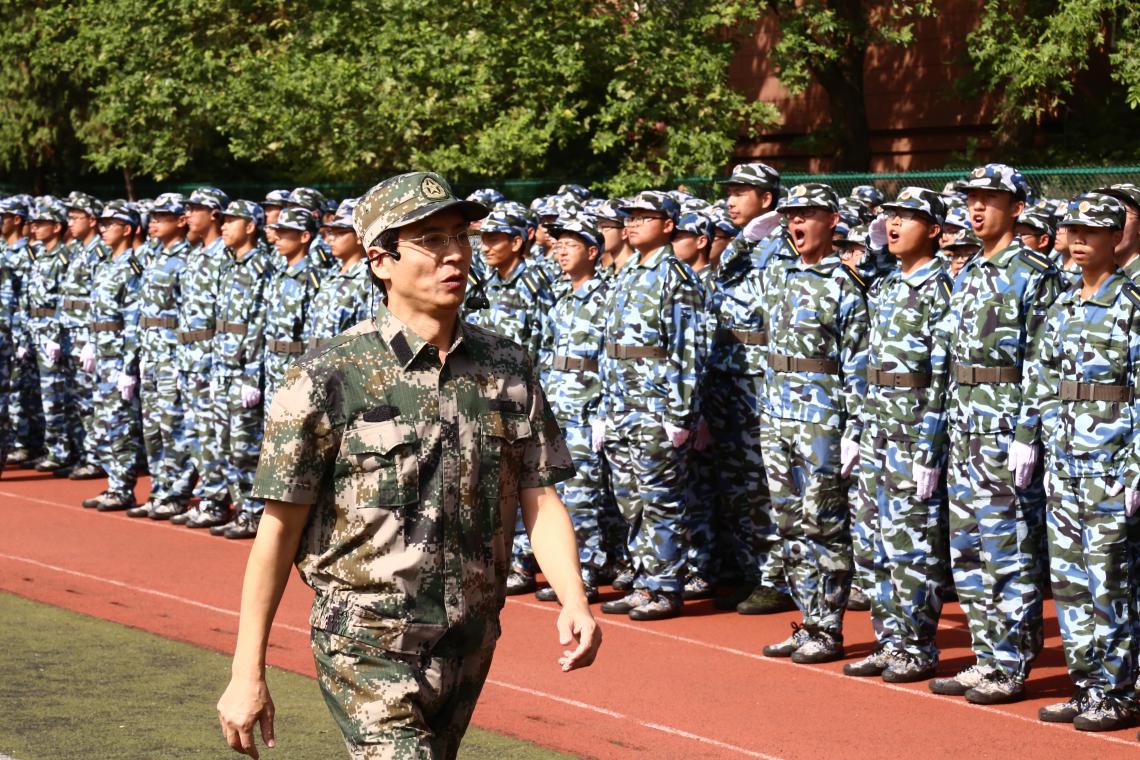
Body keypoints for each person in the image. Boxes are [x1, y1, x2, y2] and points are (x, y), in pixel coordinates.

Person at [216, 171, 600, 760]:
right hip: (367, 639)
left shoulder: (506, 366)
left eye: (459, 236)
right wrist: (248, 673)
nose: (454, 254)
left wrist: (574, 598)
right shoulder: (329, 375)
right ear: (381, 261)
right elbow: (278, 531)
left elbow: (539, 495)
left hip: (469, 635)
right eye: (430, 240)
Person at [926, 163, 1062, 704]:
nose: (977, 207)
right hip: (964, 428)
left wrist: (1029, 432)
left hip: (1005, 431)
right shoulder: (967, 271)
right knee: (967, 551)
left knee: (1009, 549)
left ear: (1017, 208)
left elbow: (1043, 363)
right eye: (972, 198)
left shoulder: (1033, 272)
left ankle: (1011, 662)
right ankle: (987, 656)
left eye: (990, 198)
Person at [1018, 193, 1139, 731]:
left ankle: (1120, 691)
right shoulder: (1062, 305)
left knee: (1110, 581)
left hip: (1111, 469)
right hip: (1064, 467)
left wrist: (1137, 465)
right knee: (1068, 584)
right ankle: (1087, 683)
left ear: (1117, 238)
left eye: (1094, 230)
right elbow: (1040, 378)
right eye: (1074, 229)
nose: (1080, 238)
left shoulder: (1133, 303)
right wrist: (1028, 437)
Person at [843, 188, 952, 683]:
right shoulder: (885, 285)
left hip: (912, 432)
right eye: (891, 216)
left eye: (908, 218)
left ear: (932, 230)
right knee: (872, 542)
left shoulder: (942, 287)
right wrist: (857, 427)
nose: (894, 224)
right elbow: (867, 366)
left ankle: (917, 644)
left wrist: (930, 446)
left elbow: (943, 374)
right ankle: (890, 640)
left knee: (912, 544)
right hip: (877, 430)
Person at [759, 183, 869, 663]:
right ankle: (808, 619)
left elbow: (859, 364)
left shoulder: (845, 285)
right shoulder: (780, 276)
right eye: (790, 215)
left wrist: (854, 429)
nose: (795, 223)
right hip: (776, 416)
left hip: (820, 419)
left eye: (806, 214)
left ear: (831, 220)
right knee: (787, 523)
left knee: (823, 522)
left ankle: (829, 626)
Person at [597, 190, 707, 621]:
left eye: (645, 216)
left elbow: (688, 349)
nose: (633, 223)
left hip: (655, 409)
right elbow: (612, 350)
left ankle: (663, 586)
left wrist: (681, 415)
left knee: (661, 499)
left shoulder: (675, 277)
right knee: (630, 500)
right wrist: (606, 409)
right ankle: (644, 580)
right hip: (623, 406)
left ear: (667, 225)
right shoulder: (625, 274)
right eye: (630, 216)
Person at [707, 162, 795, 615]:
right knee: (737, 481)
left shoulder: (780, 246)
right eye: (731, 190)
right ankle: (749, 568)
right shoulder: (740, 244)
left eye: (743, 191)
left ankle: (776, 575)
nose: (732, 198)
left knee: (765, 480)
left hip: (760, 377)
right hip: (727, 373)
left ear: (767, 198)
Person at [534, 215, 617, 603]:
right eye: (558, 243)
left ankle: (589, 569)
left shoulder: (608, 296)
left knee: (585, 494)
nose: (560, 249)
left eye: (571, 244)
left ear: (593, 251)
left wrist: (605, 411)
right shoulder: (562, 296)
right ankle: (573, 571)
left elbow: (611, 358)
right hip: (560, 405)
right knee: (563, 492)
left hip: (589, 408)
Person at [207, 200, 275, 540]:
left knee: (244, 445)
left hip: (244, 370)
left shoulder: (261, 266)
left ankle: (252, 513)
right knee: (222, 441)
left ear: (250, 226)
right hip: (221, 367)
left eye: (231, 221)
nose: (223, 226)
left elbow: (260, 325)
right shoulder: (228, 265)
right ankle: (238, 507)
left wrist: (251, 375)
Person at [132, 193, 195, 520]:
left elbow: (189, 312)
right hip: (151, 353)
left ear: (181, 221)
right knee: (152, 427)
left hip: (172, 353)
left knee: (174, 426)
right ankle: (159, 488)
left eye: (162, 216)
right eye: (152, 216)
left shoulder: (187, 259)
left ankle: (177, 492)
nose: (154, 221)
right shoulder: (153, 255)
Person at [81, 200, 144, 511]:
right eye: (101, 223)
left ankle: (122, 487)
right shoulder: (104, 263)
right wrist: (89, 342)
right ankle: (113, 482)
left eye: (111, 223)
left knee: (120, 423)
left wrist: (128, 366)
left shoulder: (132, 269)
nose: (103, 228)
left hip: (118, 355)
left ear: (128, 229)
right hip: (101, 353)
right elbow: (96, 310)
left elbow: (133, 321)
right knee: (103, 421)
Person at [24, 198, 77, 472]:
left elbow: (63, 301)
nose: (35, 228)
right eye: (34, 224)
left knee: (55, 396)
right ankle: (50, 447)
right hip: (34, 331)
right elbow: (28, 299)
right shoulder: (38, 255)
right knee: (40, 396)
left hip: (51, 335)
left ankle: (61, 450)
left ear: (57, 227)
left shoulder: (63, 258)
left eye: (41, 224)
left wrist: (55, 335)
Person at [59, 192, 108, 480]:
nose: (70, 222)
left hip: (88, 335)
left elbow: (98, 299)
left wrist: (91, 338)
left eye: (76, 217)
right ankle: (84, 452)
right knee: (77, 399)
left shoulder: (98, 252)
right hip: (71, 333)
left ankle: (96, 457)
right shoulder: (77, 250)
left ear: (92, 221)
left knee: (91, 400)